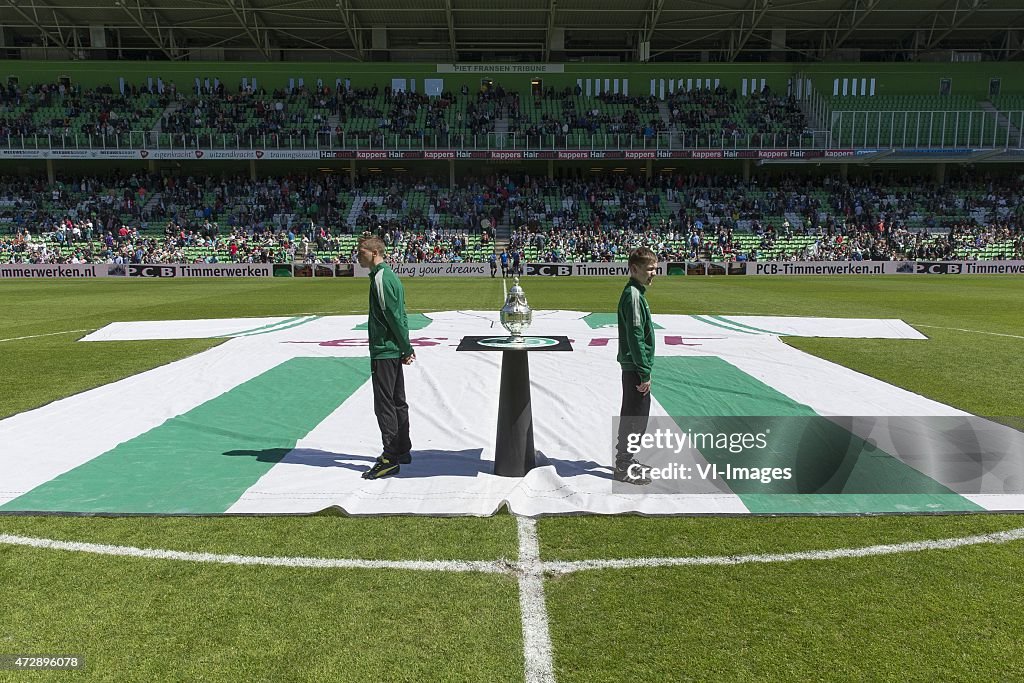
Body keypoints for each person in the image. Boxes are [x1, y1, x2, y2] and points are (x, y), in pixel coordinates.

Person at [357, 235, 416, 480]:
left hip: (384, 350)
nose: (357, 256)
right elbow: (400, 315)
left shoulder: (381, 278)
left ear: (373, 252)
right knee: (397, 400)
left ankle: (390, 457)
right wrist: (404, 346)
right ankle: (402, 449)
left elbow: (392, 316)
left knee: (385, 404)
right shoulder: (387, 276)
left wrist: (405, 347)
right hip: (391, 348)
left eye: (360, 251)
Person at [614, 247, 658, 485]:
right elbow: (635, 335)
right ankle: (623, 465)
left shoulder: (637, 293)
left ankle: (627, 460)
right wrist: (644, 371)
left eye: (655, 268)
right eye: (650, 269)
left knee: (635, 415)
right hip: (635, 368)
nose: (654, 273)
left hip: (635, 366)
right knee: (635, 417)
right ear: (634, 269)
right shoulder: (633, 295)